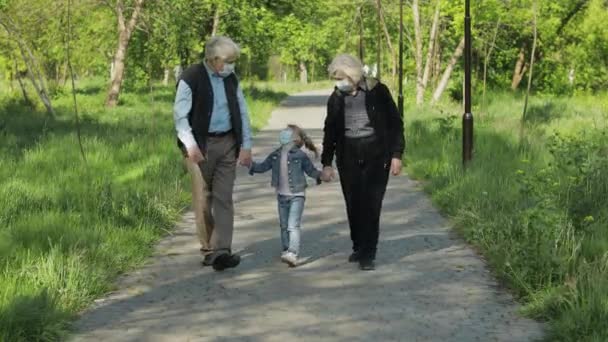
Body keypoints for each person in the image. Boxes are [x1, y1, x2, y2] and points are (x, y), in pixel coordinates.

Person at [173, 36, 253, 271]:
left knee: (224, 197)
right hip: (200, 145)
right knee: (202, 199)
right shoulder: (190, 77)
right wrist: (190, 145)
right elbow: (180, 116)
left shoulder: (231, 79)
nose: (231, 66)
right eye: (228, 61)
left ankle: (222, 251)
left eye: (234, 61)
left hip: (228, 142)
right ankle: (209, 250)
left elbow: (242, 111)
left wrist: (246, 145)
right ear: (213, 59)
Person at [320, 54, 405, 271]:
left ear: (352, 76)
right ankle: (358, 245)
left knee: (371, 204)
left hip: (377, 154)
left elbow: (395, 123)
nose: (338, 83)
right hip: (348, 155)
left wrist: (396, 154)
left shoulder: (378, 91)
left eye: (341, 78)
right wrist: (327, 162)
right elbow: (330, 130)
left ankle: (369, 252)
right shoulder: (336, 97)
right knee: (354, 203)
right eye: (335, 79)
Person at [248, 125, 323, 267]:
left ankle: (293, 252)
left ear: (295, 139)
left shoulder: (300, 156)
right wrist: (250, 165)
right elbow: (262, 167)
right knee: (283, 225)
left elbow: (311, 171)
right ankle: (286, 250)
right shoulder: (275, 154)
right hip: (281, 196)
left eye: (288, 132)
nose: (283, 133)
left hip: (297, 195)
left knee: (292, 225)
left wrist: (321, 175)